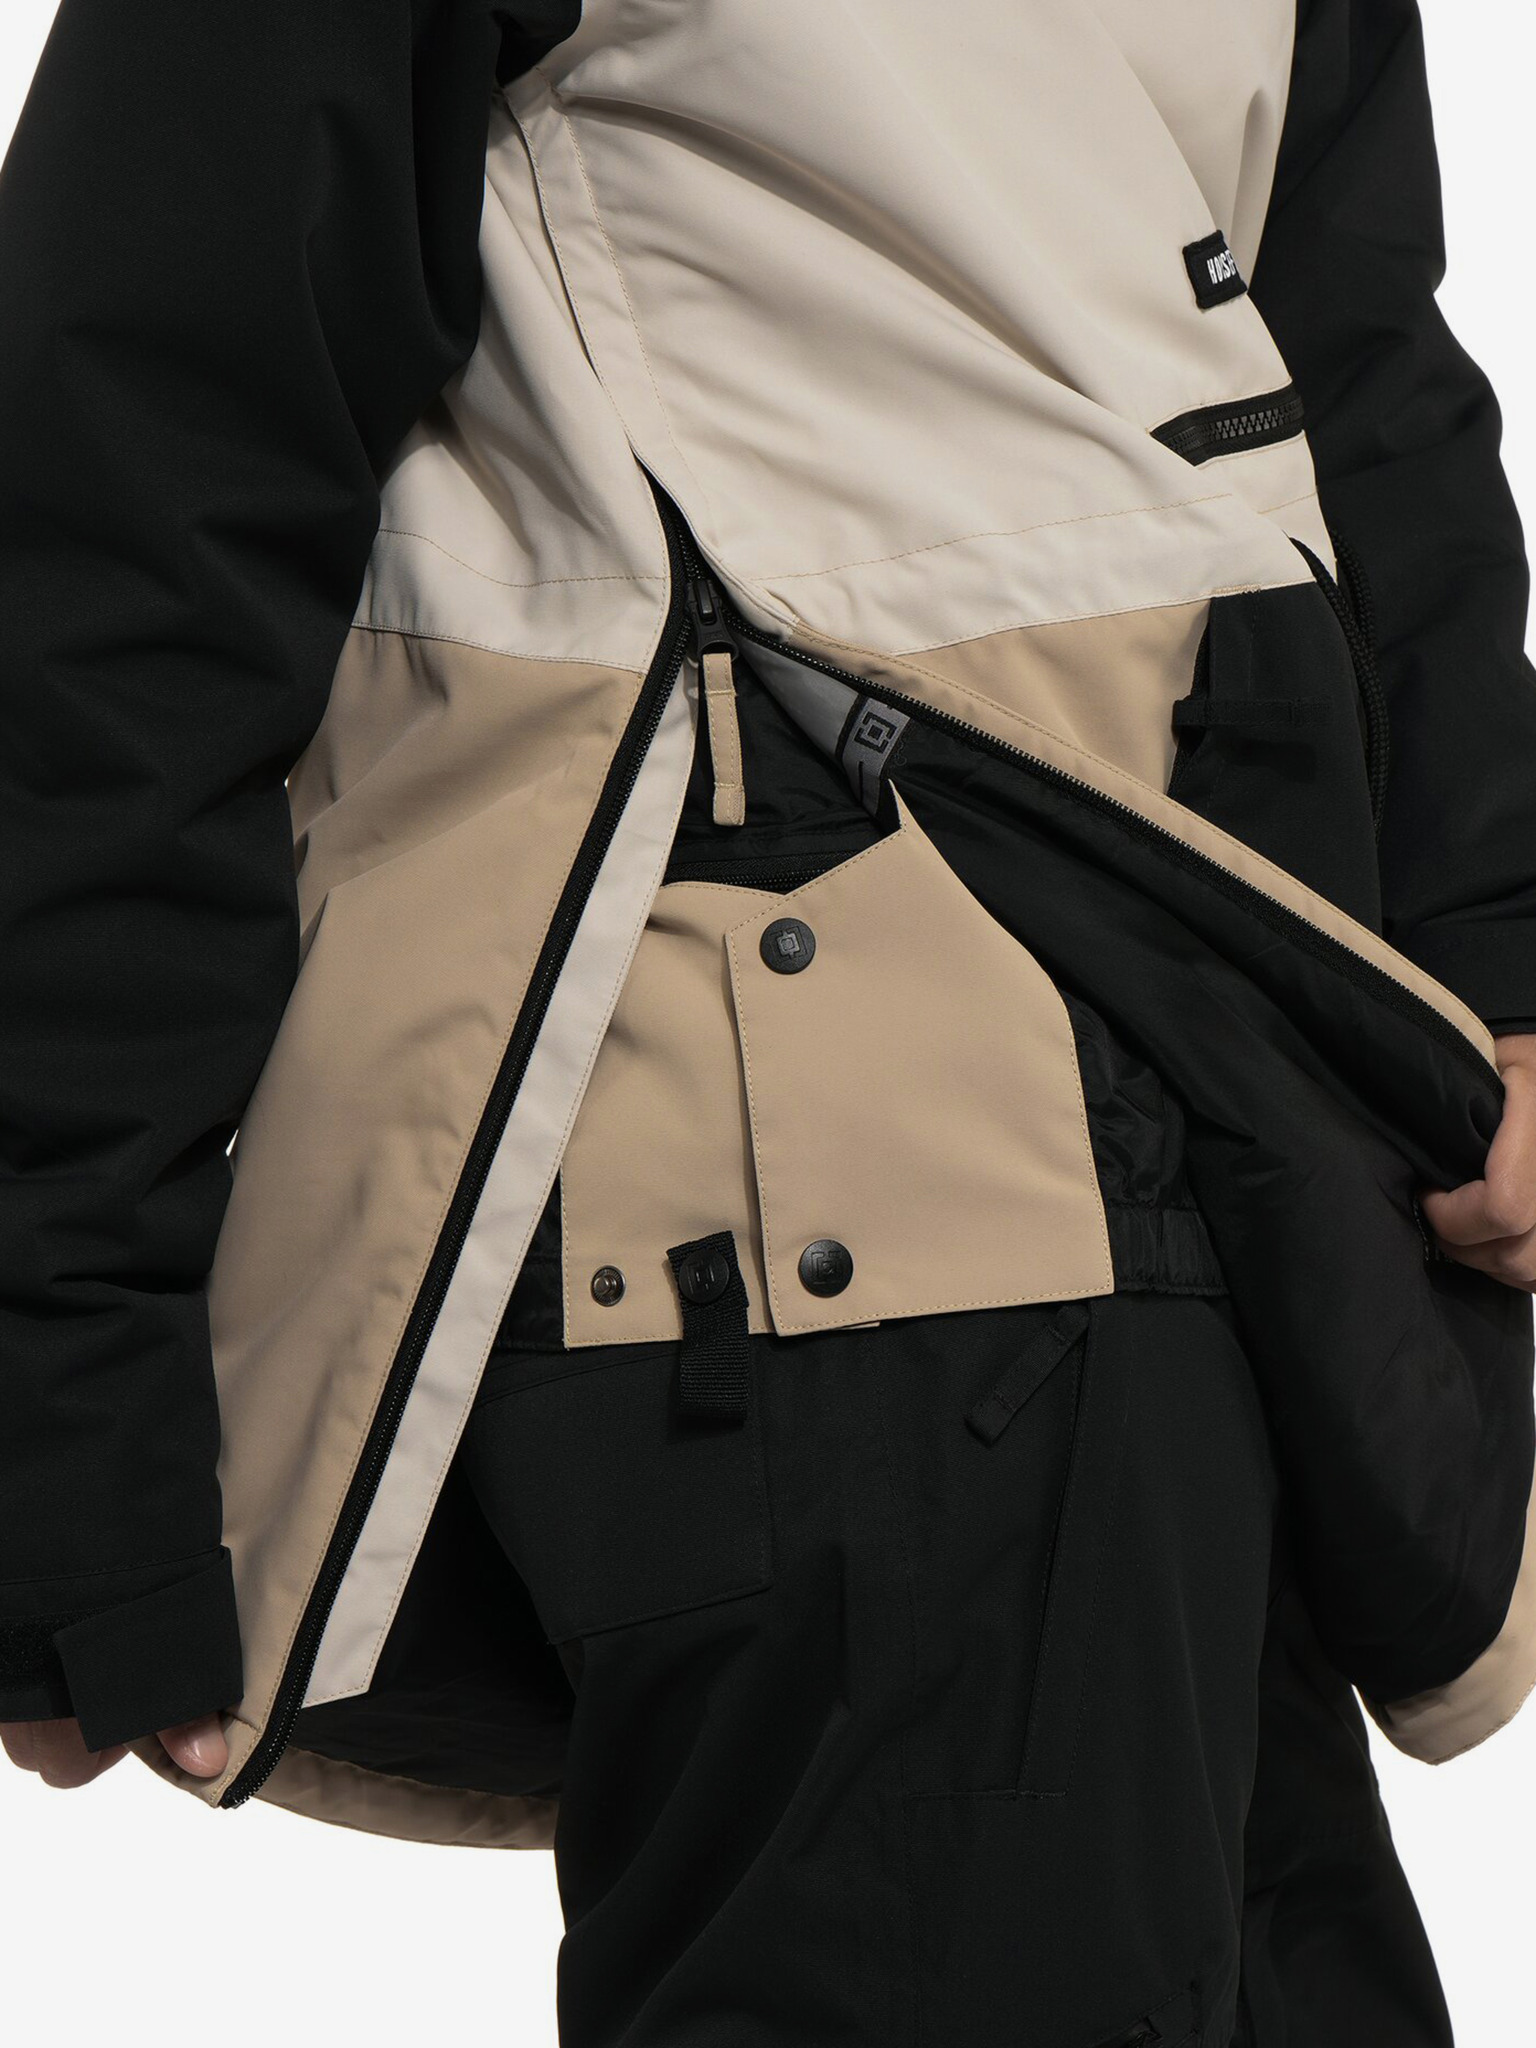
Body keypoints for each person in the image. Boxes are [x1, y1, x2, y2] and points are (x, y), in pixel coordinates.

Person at [3, 1, 1535, 2041]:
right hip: (817, 1195)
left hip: (1231, 1140)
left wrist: (1496, 953)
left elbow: (1341, 353)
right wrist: (65, 1398)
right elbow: (134, 490)